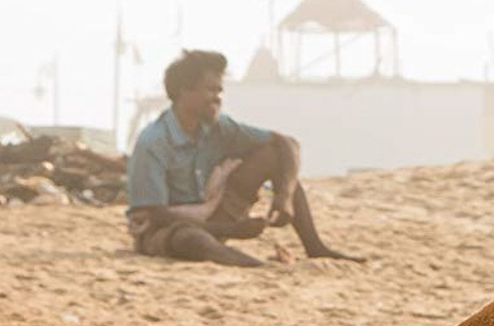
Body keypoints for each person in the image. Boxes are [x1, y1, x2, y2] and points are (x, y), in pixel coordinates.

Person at [125, 50, 362, 266]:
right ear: (184, 92)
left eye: (219, 91)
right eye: (210, 90)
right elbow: (155, 213)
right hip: (166, 229)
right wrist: (232, 229)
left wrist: (285, 196)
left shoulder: (218, 126)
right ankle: (257, 266)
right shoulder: (152, 142)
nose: (217, 98)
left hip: (213, 210)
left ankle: (315, 247)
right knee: (191, 238)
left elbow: (286, 143)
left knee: (275, 157)